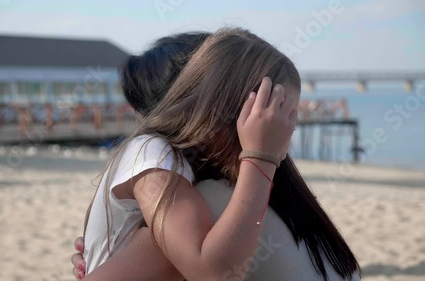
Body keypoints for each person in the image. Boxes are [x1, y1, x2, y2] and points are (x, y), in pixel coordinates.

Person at [73, 28, 361, 281]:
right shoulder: (159, 158)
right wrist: (261, 158)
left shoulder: (212, 193)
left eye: (287, 124)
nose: (282, 143)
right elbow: (213, 272)